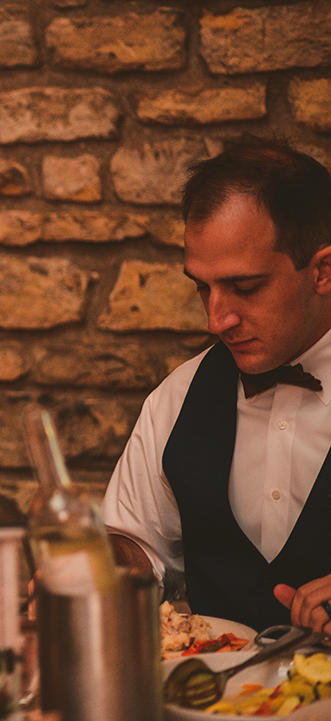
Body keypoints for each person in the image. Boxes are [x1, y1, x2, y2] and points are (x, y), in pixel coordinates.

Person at [102, 136, 331, 634]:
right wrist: (101, 570)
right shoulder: (177, 400)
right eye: (202, 287)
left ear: (323, 270)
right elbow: (138, 545)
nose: (216, 319)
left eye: (244, 288)